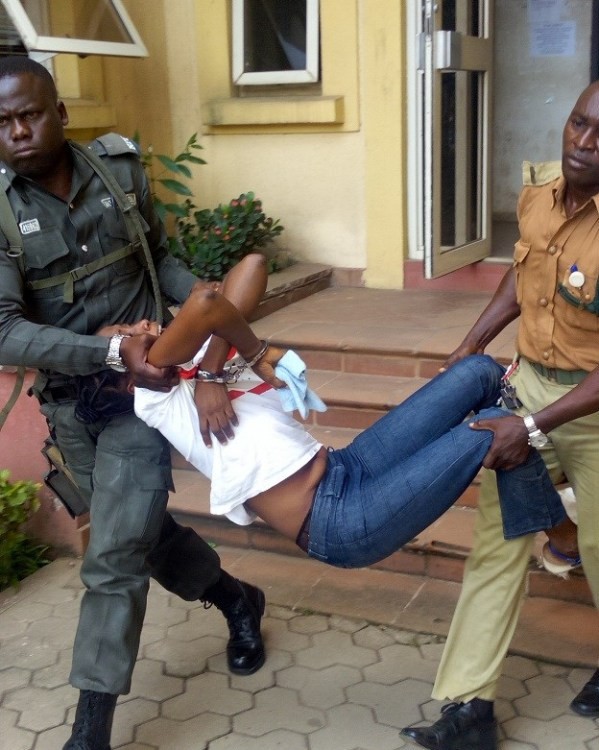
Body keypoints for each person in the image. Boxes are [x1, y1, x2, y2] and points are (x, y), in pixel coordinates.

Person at [0, 56, 271, 750]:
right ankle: (236, 598)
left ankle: (89, 732)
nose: (17, 131)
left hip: (144, 398)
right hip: (70, 403)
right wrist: (105, 350)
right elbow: (5, 328)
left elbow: (158, 262)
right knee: (143, 537)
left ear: (60, 113)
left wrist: (202, 308)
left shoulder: (117, 171)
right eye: (1, 123)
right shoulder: (0, 209)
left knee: (115, 554)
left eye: (29, 114)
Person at [91, 293, 578, 577]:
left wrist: (213, 372)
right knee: (493, 429)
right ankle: (563, 536)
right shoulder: (153, 393)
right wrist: (211, 366)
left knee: (478, 373)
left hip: (348, 466)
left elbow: (248, 272)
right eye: (126, 332)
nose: (141, 324)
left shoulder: (198, 366)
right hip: (341, 523)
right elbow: (208, 303)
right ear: (124, 369)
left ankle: (547, 520)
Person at [400, 79, 599, 750]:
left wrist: (533, 427)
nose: (584, 143)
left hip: (592, 413)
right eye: (577, 124)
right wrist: (468, 345)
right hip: (529, 391)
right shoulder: (538, 199)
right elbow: (520, 282)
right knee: (495, 548)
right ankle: (468, 710)